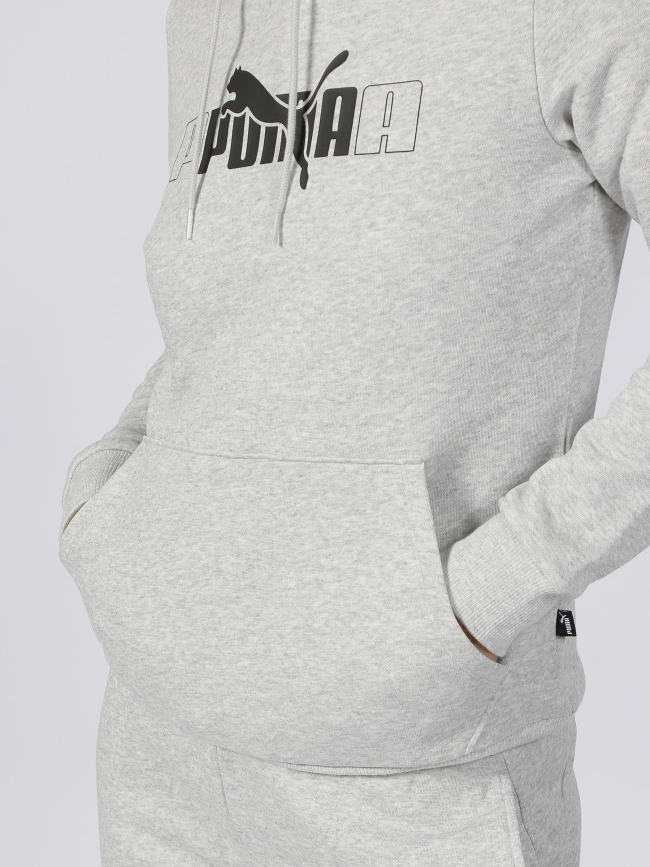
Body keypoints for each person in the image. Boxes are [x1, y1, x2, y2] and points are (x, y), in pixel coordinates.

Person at [58, 0, 650, 864]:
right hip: (157, 750)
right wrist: (110, 497)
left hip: (419, 778)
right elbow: (237, 321)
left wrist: (495, 585)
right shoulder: (204, 15)